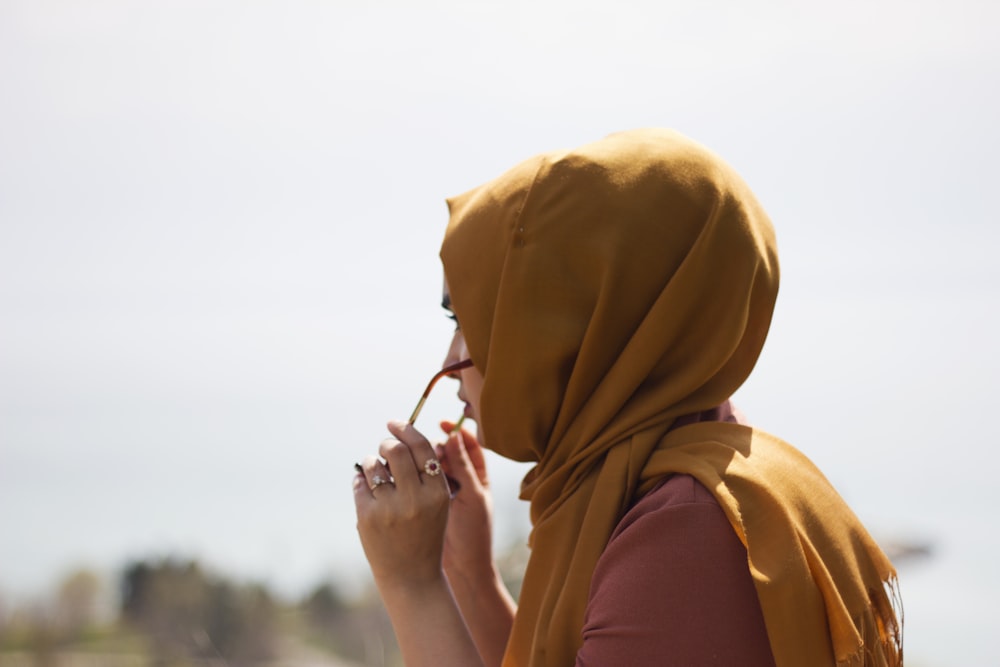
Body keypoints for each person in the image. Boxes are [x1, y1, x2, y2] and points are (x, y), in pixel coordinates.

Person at [352, 129, 902, 667]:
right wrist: (469, 573)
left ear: (578, 325)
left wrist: (412, 587)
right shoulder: (658, 473)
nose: (449, 364)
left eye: (469, 318)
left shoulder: (687, 537)